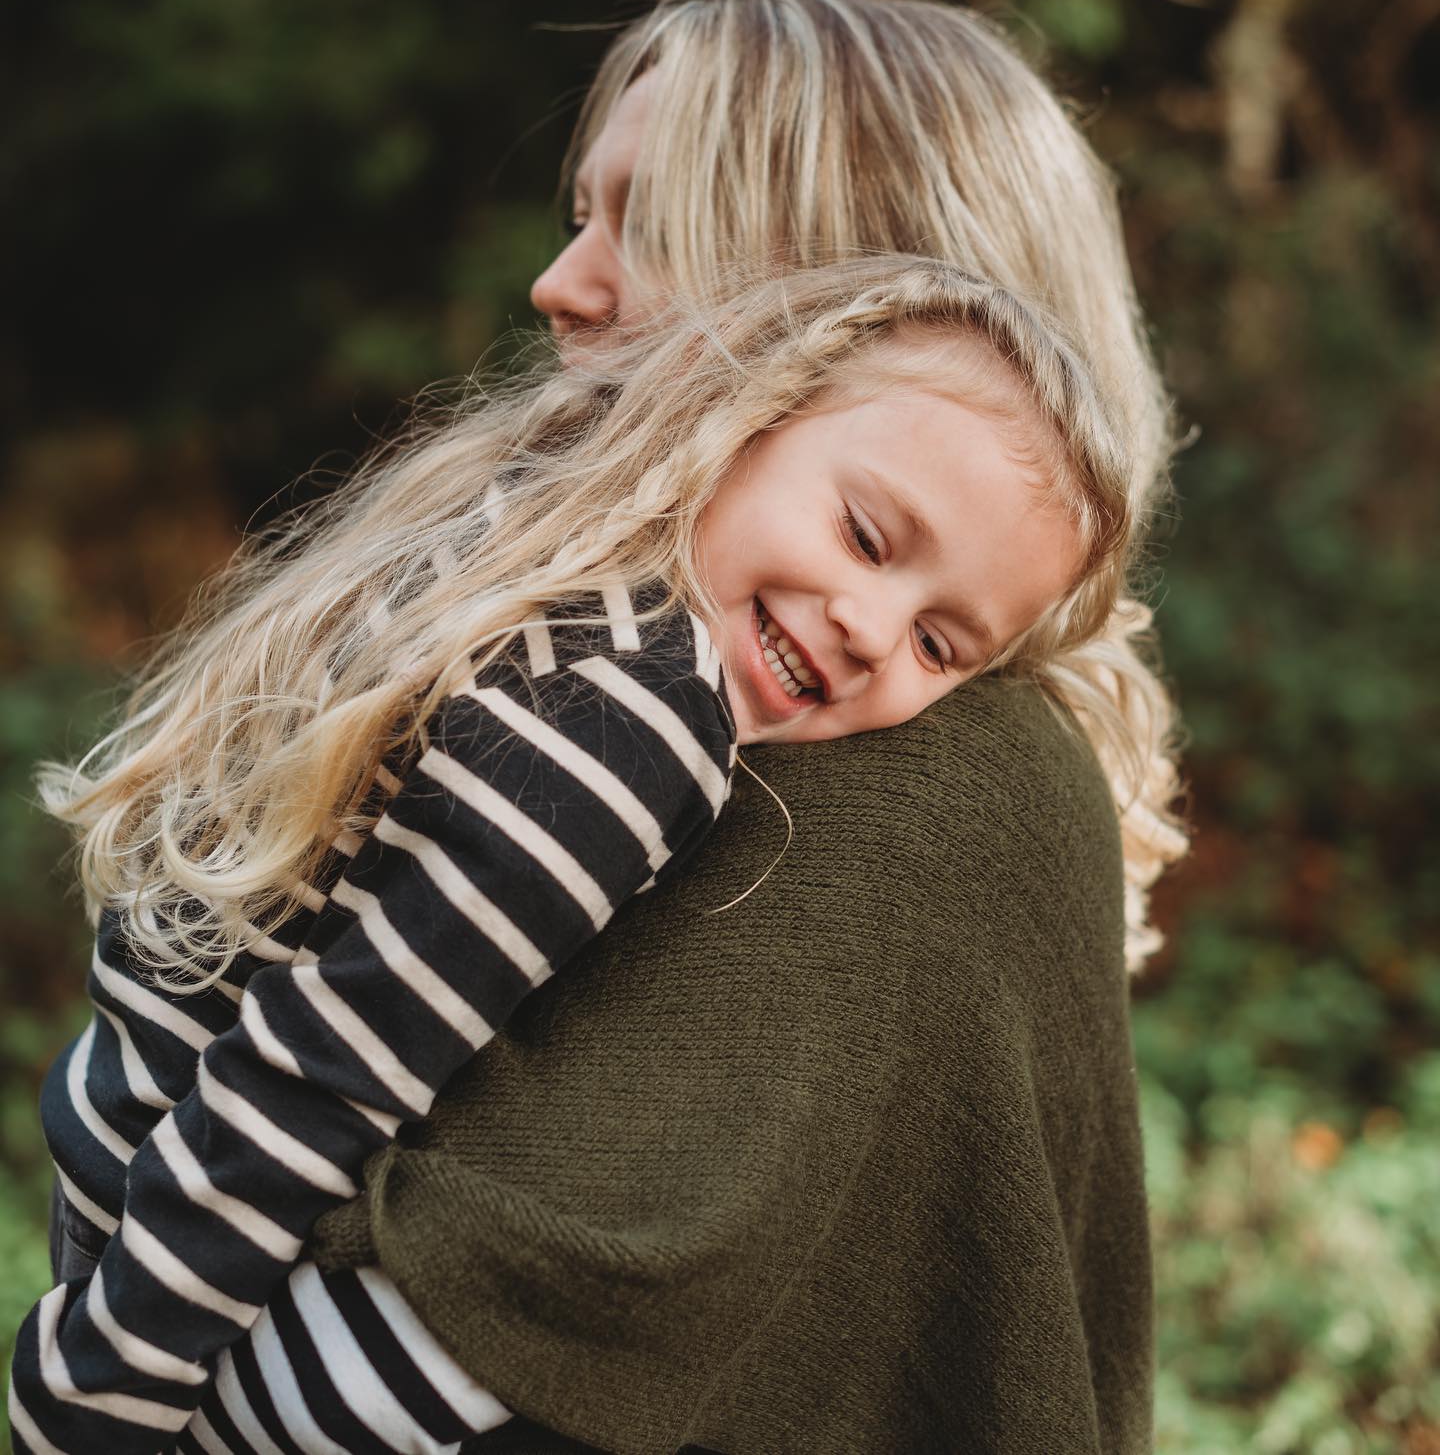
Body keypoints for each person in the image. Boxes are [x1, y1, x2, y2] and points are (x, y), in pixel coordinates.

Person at [7, 254, 1137, 1455]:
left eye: (941, 643)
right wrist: (94, 1393)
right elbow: (322, 1068)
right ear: (746, 412)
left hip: (119, 1136)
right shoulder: (639, 726)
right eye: (866, 535)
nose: (871, 629)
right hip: (237, 1325)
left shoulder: (534, 552)